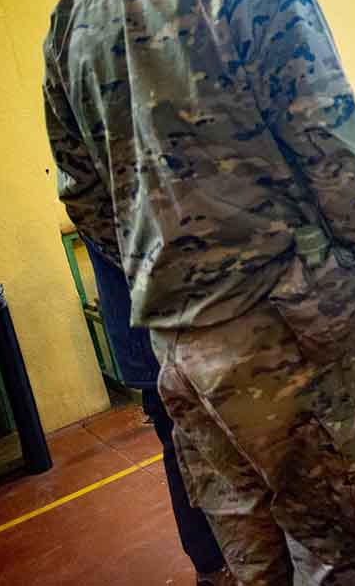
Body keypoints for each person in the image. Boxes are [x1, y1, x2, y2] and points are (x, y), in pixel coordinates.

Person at [43, 0, 355, 584]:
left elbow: (82, 189)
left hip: (179, 342)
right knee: (352, 537)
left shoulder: (73, 11)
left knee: (250, 551)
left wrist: (167, 273)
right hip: (288, 322)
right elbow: (332, 148)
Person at [82, 239, 233, 586]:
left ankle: (216, 562)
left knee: (204, 447)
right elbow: (143, 242)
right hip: (164, 333)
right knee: (186, 451)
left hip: (170, 329)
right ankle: (212, 565)